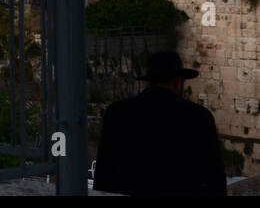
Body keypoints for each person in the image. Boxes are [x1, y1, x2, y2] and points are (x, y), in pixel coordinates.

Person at [93, 51, 227, 196]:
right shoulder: (199, 116)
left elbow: (103, 175)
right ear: (177, 83)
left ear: (150, 81)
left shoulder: (117, 113)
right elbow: (215, 179)